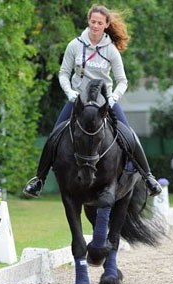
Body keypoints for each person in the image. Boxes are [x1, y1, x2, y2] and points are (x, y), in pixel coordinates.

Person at [23, 4, 162, 198]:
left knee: (129, 135)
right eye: (92, 22)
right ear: (88, 21)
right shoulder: (74, 45)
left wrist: (113, 98)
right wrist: (70, 93)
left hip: (104, 104)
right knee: (54, 136)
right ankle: (39, 180)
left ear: (106, 25)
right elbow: (63, 73)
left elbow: (123, 81)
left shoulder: (111, 50)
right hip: (78, 101)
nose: (95, 26)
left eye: (99, 23)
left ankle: (148, 178)